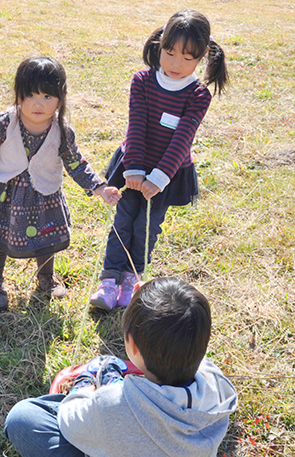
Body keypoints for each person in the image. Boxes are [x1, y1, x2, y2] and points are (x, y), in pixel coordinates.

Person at [4, 277, 238, 457]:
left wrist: (86, 388)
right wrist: (151, 301)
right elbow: (187, 340)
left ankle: (103, 377)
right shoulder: (219, 390)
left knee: (23, 417)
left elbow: (69, 421)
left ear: (133, 345)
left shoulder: (113, 406)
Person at [89, 9, 228, 311]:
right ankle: (109, 279)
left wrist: (158, 178)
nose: (176, 64)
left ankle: (132, 278)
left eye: (187, 57)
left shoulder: (198, 95)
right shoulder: (142, 81)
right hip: (132, 169)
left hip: (166, 175)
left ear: (203, 55)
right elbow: (136, 126)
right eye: (169, 52)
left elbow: (182, 139)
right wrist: (134, 170)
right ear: (160, 44)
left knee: (146, 227)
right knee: (123, 220)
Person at [0, 56, 121, 311]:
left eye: (48, 97)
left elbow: (75, 163)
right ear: (19, 95)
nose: (39, 104)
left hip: (44, 194)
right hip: (6, 193)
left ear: (61, 98)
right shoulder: (3, 123)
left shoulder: (61, 130)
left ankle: (46, 278)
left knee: (46, 238)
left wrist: (99, 187)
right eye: (31, 96)